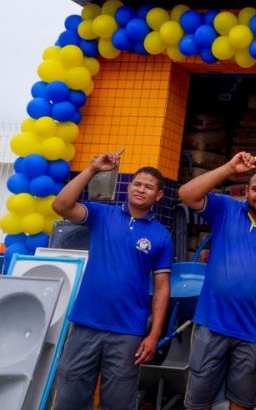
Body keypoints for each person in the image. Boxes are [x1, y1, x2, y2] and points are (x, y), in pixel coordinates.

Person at [178, 151, 256, 410]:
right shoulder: (226, 208)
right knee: (198, 402)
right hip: (212, 322)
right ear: (246, 191)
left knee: (242, 403)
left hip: (254, 329)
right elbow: (186, 194)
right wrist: (229, 168)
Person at [51, 150, 172, 410]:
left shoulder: (161, 235)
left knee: (118, 403)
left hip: (128, 331)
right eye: (137, 184)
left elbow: (162, 288)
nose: (141, 190)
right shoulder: (102, 215)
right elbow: (61, 206)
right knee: (69, 399)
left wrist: (154, 334)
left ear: (159, 195)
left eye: (148, 187)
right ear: (129, 187)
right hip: (86, 323)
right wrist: (93, 169)